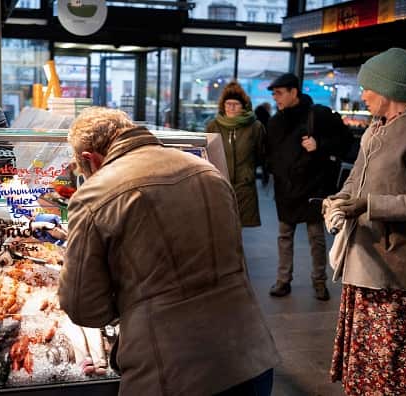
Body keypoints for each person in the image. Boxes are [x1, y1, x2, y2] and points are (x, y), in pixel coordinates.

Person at [58, 107, 279, 396]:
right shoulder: (207, 171)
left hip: (169, 373)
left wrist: (129, 300)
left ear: (89, 159)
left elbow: (83, 307)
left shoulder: (95, 194)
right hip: (250, 358)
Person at [323, 47, 406, 395]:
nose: (362, 94)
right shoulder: (374, 129)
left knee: (389, 365)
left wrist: (367, 205)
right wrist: (338, 199)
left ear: (388, 90)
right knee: (366, 362)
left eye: (367, 87)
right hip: (363, 260)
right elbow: (355, 182)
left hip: (393, 271)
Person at [265, 73, 347, 301]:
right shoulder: (275, 121)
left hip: (313, 187)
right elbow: (270, 152)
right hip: (286, 188)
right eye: (273, 94)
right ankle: (283, 280)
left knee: (316, 237)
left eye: (279, 93)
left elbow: (345, 142)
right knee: (284, 235)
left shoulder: (318, 115)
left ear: (294, 92)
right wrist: (275, 171)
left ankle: (319, 281)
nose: (276, 98)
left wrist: (319, 145)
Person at [206, 81, 266, 227]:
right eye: (228, 104)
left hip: (244, 185)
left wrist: (248, 171)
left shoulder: (255, 127)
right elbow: (206, 153)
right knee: (219, 227)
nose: (231, 107)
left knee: (238, 229)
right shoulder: (213, 125)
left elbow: (261, 154)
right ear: (223, 105)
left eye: (236, 104)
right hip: (219, 184)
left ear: (243, 106)